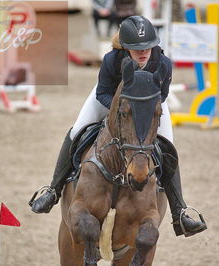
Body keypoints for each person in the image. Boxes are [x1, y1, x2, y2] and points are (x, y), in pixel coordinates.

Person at [30, 16, 207, 237]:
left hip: (146, 107)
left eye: (147, 47)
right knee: (77, 130)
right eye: (136, 48)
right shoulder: (112, 60)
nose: (143, 52)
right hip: (109, 102)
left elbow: (162, 95)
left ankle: (179, 212)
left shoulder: (163, 63)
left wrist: (143, 114)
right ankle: (53, 191)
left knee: (168, 145)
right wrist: (118, 112)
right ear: (125, 48)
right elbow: (102, 92)